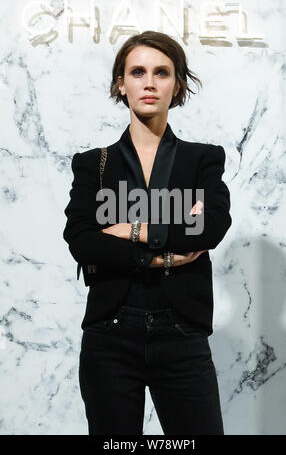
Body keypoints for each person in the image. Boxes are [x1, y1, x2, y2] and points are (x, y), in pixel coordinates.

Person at [63, 30, 232, 435]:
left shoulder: (202, 159)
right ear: (121, 83)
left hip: (182, 334)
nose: (150, 83)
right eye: (138, 72)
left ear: (178, 85)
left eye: (162, 72)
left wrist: (130, 230)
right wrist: (161, 254)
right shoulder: (93, 164)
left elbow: (208, 229)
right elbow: (82, 240)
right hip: (110, 334)